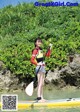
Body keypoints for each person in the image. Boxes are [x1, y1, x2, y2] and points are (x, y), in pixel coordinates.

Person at [30, 38, 52, 102]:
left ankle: (42, 97)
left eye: (40, 42)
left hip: (43, 67)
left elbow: (47, 55)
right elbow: (31, 60)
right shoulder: (35, 50)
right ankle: (38, 98)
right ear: (35, 43)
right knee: (40, 83)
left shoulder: (41, 50)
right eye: (38, 42)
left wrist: (49, 49)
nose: (39, 43)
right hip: (39, 68)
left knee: (42, 83)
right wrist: (37, 64)